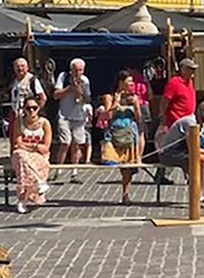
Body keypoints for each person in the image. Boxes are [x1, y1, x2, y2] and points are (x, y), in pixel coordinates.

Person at [169, 99, 204, 204]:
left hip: (185, 151)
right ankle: (197, 196)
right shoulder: (190, 123)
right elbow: (193, 150)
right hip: (171, 152)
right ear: (197, 111)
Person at [101, 70, 144, 205]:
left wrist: (136, 106)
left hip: (129, 134)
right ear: (121, 82)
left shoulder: (133, 97)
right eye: (129, 81)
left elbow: (138, 119)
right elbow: (108, 116)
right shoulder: (109, 96)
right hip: (114, 133)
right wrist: (116, 102)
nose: (131, 84)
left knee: (127, 168)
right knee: (109, 160)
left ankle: (125, 194)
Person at [10, 95, 52, 214]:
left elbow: (45, 148)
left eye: (34, 108)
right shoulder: (19, 121)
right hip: (22, 154)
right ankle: (38, 182)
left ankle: (22, 199)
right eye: (28, 108)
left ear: (39, 108)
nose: (31, 111)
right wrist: (35, 146)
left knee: (25, 164)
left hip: (38, 155)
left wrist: (30, 146)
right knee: (21, 158)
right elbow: (17, 143)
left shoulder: (45, 123)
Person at [54, 58, 91, 180]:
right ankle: (58, 170)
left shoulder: (85, 81)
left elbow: (88, 99)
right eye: (75, 70)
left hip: (78, 116)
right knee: (65, 142)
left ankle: (74, 172)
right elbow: (55, 95)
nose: (78, 72)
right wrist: (70, 88)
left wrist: (81, 92)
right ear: (71, 69)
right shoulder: (63, 77)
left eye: (80, 70)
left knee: (77, 145)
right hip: (64, 115)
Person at [8, 57, 46, 134]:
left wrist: (35, 112)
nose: (20, 68)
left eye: (22, 66)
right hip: (15, 115)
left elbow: (43, 98)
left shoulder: (32, 80)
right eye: (17, 66)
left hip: (28, 116)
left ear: (27, 67)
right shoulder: (12, 80)